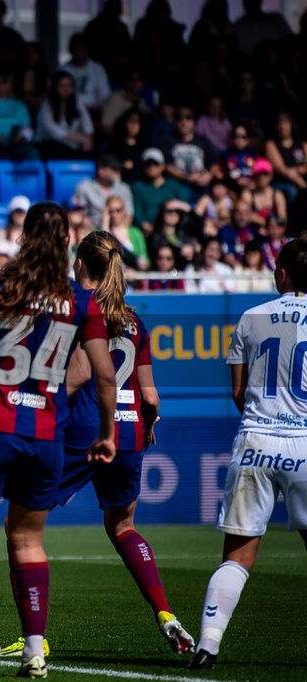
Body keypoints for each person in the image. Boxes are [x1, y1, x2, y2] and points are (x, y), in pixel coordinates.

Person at [0, 201, 117, 679]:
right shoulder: (83, 301)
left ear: (22, 235)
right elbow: (104, 375)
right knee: (27, 539)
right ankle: (34, 651)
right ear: (65, 244)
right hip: (47, 437)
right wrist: (106, 433)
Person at [0, 230, 195, 661]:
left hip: (85, 431)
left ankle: (35, 640)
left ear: (81, 264)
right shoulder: (132, 319)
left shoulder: (80, 309)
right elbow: (151, 398)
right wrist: (145, 428)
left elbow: (79, 375)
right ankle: (165, 613)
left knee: (20, 527)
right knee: (124, 527)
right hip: (129, 434)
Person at [188, 235, 307, 671]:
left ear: (281, 273)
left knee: (237, 555)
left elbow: (238, 393)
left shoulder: (250, 318)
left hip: (256, 439)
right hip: (306, 441)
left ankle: (208, 646)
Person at [132, 148, 192, 234]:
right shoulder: (138, 186)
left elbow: (185, 209)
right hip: (148, 232)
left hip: (172, 230)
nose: (152, 167)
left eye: (156, 163)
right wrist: (148, 227)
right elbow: (138, 213)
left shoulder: (173, 185)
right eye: (148, 164)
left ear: (163, 165)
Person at [35, 71, 94, 158]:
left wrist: (88, 141)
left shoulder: (76, 102)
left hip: (73, 146)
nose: (66, 89)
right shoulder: (47, 105)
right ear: (55, 87)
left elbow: (87, 124)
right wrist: (81, 139)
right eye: (62, 86)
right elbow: (53, 132)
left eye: (69, 86)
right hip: (49, 146)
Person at [165, 105, 220, 191]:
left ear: (194, 121)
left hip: (202, 184)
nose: (184, 122)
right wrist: (187, 177)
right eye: (179, 118)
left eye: (188, 118)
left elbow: (214, 164)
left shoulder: (203, 141)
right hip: (178, 185)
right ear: (175, 121)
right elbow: (166, 166)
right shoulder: (167, 141)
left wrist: (208, 175)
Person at [72, 153, 133, 227]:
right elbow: (79, 215)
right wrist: (97, 234)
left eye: (119, 168)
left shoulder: (124, 188)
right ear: (101, 171)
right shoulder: (84, 187)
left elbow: (129, 216)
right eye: (114, 169)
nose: (118, 171)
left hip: (118, 232)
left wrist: (118, 232)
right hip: (92, 232)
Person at [61, 33, 111, 118]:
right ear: (70, 50)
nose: (78, 53)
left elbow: (105, 96)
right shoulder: (64, 70)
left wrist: (98, 110)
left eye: (81, 49)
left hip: (95, 112)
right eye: (75, 50)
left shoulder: (97, 69)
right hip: (70, 112)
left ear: (87, 50)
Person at [263, 111, 307, 201]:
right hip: (281, 183)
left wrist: (297, 170)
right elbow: (281, 169)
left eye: (285, 122)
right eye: (279, 123)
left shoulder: (302, 144)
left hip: (302, 180)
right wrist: (299, 181)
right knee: (293, 191)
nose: (282, 126)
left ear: (291, 124)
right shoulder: (271, 144)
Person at [102, 193, 149, 271]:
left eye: (118, 210)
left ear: (124, 211)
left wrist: (140, 266)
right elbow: (101, 252)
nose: (114, 214)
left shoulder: (135, 232)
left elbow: (144, 258)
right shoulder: (99, 231)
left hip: (132, 278)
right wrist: (105, 225)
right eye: (110, 211)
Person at [103, 106, 150, 185]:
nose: (134, 126)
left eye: (138, 122)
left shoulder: (145, 146)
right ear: (125, 122)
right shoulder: (114, 144)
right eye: (131, 121)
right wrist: (121, 165)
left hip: (139, 183)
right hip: (116, 183)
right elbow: (107, 163)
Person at [100, 71, 152, 137]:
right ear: (127, 81)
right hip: (118, 140)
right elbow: (106, 127)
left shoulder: (140, 101)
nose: (135, 83)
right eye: (132, 79)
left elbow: (153, 117)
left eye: (139, 80)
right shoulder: (116, 98)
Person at [240, 159, 287, 227]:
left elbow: (283, 219)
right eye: (259, 174)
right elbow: (245, 215)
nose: (262, 177)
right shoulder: (247, 194)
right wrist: (270, 224)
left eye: (265, 173)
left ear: (270, 176)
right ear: (254, 176)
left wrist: (268, 227)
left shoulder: (278, 195)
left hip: (274, 233)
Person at [221, 124, 259, 192]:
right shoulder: (225, 156)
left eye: (243, 137)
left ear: (248, 140)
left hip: (252, 189)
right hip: (232, 189)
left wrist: (254, 183)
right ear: (232, 138)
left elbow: (260, 173)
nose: (239, 140)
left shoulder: (254, 155)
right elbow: (222, 176)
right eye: (236, 136)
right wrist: (236, 181)